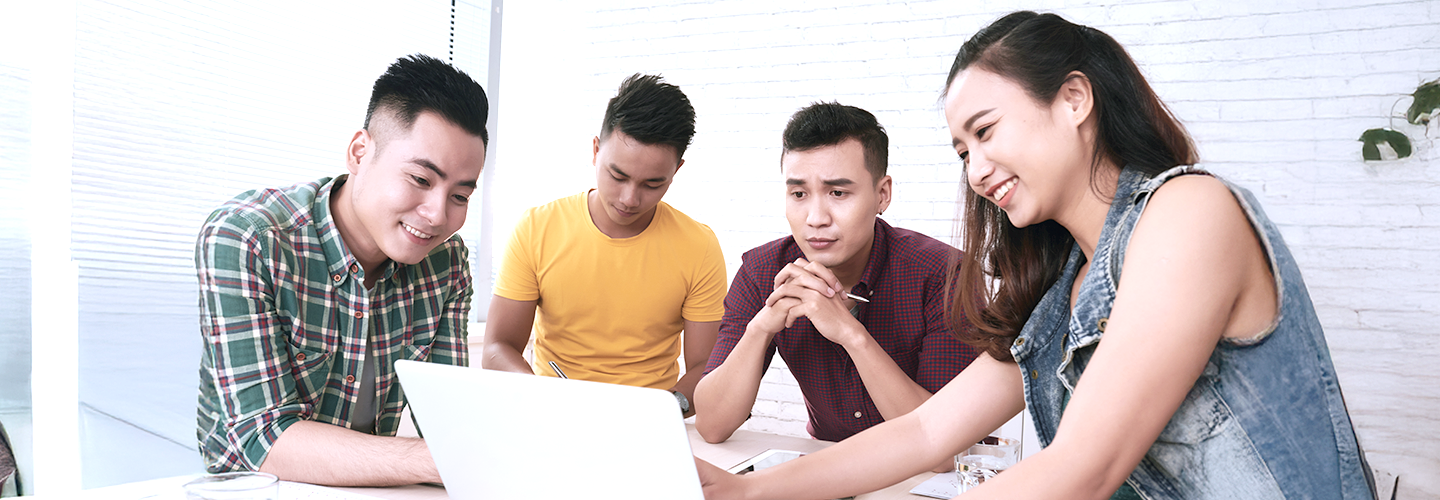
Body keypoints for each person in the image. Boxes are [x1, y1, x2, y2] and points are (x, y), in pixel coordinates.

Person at [696, 11, 1375, 500]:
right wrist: (746, 491)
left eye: (986, 131)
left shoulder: (1189, 211)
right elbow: (926, 431)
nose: (976, 170)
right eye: (962, 151)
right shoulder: (1059, 288)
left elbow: (1082, 470)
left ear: (1074, 99)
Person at [195, 54, 488, 486]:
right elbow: (262, 438)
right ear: (359, 152)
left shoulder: (447, 262)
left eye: (460, 196)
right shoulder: (248, 237)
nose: (437, 215)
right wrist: (447, 460)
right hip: (257, 489)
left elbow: (448, 423)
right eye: (421, 180)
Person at [693, 103, 980, 457]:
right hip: (827, 462)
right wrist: (761, 328)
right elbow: (712, 425)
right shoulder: (762, 272)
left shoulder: (944, 274)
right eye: (799, 194)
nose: (815, 218)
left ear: (882, 194)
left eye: (838, 193)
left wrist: (850, 334)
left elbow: (946, 444)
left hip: (926, 475)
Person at [481, 74, 724, 417]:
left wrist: (666, 410)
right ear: (596, 151)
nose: (629, 199)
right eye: (618, 176)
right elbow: (497, 348)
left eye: (652, 184)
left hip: (650, 423)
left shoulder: (699, 246)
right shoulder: (536, 228)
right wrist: (540, 396)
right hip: (553, 416)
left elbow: (706, 367)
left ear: (676, 171)